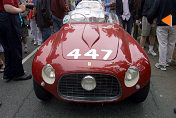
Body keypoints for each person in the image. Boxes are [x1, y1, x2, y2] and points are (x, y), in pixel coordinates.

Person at [0, 0, 32, 81]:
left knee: (8, 47)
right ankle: (18, 73)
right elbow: (8, 7)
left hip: (3, 18)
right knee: (15, 46)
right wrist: (21, 9)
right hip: (9, 18)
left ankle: (8, 72)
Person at [147, 0, 176, 71]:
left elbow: (153, 11)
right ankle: (167, 61)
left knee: (163, 44)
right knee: (171, 43)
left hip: (162, 24)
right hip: (174, 23)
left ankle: (162, 64)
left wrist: (150, 21)